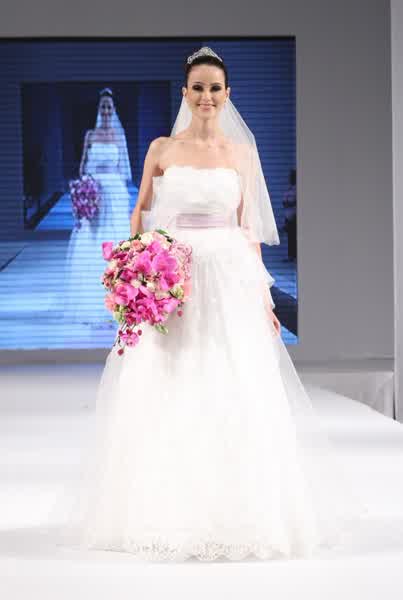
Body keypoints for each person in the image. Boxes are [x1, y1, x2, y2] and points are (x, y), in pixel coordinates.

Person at [54, 48, 367, 561]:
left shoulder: (242, 154)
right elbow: (139, 215)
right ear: (185, 93)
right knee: (168, 376)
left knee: (232, 377)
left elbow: (249, 231)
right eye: (197, 87)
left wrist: (263, 298)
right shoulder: (162, 149)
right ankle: (162, 510)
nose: (206, 96)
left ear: (227, 94)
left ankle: (239, 510)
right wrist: (135, 272)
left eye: (214, 88)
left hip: (226, 275)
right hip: (172, 272)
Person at [63, 88, 132, 326]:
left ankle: (119, 300)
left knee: (113, 239)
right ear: (98, 109)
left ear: (113, 110)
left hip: (113, 192)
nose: (105, 110)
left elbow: (123, 170)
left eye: (109, 107)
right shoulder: (90, 135)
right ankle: (91, 301)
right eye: (102, 106)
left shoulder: (119, 136)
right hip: (94, 191)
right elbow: (83, 167)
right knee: (92, 241)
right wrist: (87, 191)